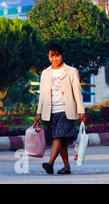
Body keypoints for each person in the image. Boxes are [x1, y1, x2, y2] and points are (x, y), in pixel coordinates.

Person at [34, 42, 85, 175]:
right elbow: (43, 95)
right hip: (50, 112)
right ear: (48, 56)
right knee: (60, 139)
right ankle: (66, 167)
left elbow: (77, 92)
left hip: (66, 110)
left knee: (58, 136)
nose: (54, 59)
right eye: (51, 56)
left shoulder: (71, 71)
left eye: (57, 56)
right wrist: (38, 113)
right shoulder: (45, 73)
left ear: (62, 55)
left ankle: (50, 163)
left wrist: (81, 110)